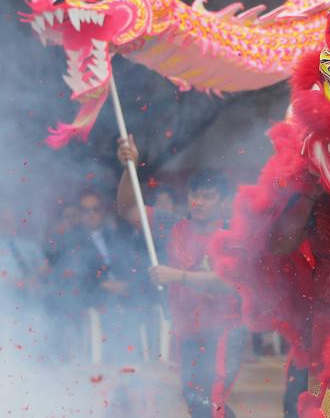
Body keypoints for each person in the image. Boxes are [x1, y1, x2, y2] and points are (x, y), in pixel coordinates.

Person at [117, 134, 245, 418]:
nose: (198, 202)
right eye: (194, 194)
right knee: (194, 400)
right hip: (187, 331)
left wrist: (177, 276)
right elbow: (128, 209)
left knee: (210, 403)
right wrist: (129, 168)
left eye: (207, 196)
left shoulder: (232, 237)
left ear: (223, 202)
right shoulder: (172, 226)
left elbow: (227, 282)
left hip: (224, 332)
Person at [54, 190, 141, 362]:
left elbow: (132, 265)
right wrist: (102, 285)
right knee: (109, 303)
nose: (91, 214)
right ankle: (111, 357)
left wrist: (127, 284)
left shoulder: (116, 236)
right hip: (91, 294)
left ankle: (138, 356)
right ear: (80, 214)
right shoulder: (70, 240)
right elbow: (69, 276)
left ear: (102, 212)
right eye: (86, 210)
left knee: (144, 297)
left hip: (122, 291)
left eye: (95, 209)